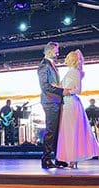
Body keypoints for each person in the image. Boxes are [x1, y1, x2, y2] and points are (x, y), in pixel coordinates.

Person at [56, 50, 99, 168]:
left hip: (71, 104)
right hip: (67, 104)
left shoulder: (75, 72)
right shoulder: (71, 71)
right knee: (68, 131)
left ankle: (73, 160)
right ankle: (71, 159)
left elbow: (78, 90)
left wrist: (66, 91)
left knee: (72, 131)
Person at [37, 41, 70, 169]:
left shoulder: (51, 64)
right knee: (51, 131)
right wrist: (62, 91)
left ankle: (58, 158)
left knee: (56, 131)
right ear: (50, 50)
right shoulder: (44, 66)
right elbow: (45, 86)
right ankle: (46, 159)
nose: (58, 52)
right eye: (57, 50)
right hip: (50, 101)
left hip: (55, 101)